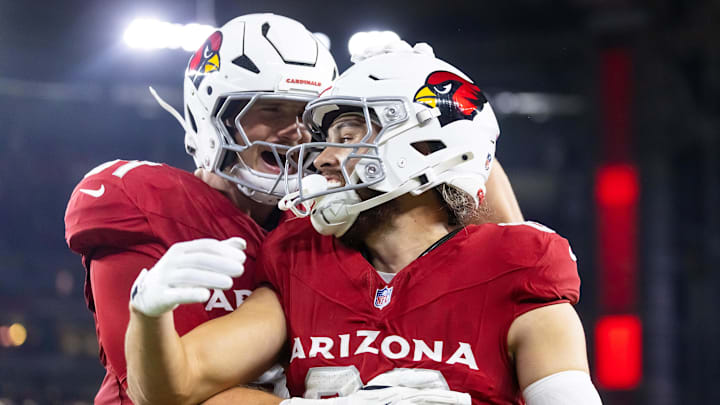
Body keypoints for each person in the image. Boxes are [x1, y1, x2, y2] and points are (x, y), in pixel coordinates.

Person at [124, 43, 601, 405]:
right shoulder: (303, 260)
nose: (325, 159)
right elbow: (175, 387)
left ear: (425, 148)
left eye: (348, 136)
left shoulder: (515, 269)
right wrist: (147, 314)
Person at [64, 13, 337, 404]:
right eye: (272, 110)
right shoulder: (142, 203)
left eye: (304, 115)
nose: (294, 133)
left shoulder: (318, 223)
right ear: (213, 116)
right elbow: (161, 391)